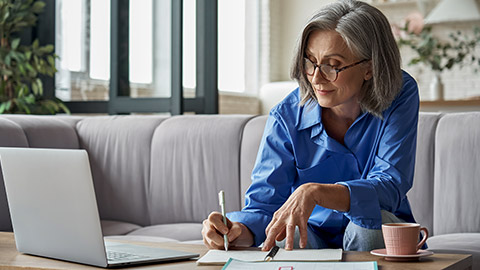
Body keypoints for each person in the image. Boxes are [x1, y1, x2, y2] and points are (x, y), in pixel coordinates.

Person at [202, 0, 420, 252]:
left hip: (375, 231)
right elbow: (264, 205)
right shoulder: (286, 115)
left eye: (332, 65)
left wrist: (316, 192)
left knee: (367, 225)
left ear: (369, 68)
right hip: (312, 234)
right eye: (310, 62)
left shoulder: (399, 93)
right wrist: (237, 231)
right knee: (288, 234)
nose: (316, 78)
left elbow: (390, 184)